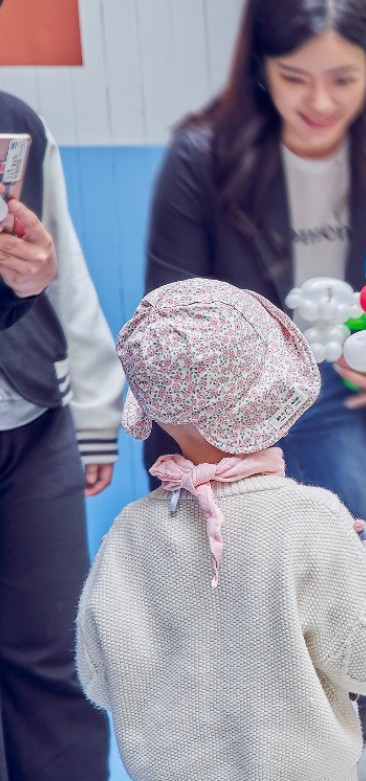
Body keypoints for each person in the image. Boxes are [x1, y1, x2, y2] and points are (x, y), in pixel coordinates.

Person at [144, 0, 366, 732]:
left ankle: (338, 758)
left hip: (341, 395)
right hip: (225, 412)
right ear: (259, 70)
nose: (319, 102)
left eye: (342, 79)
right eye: (294, 77)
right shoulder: (202, 157)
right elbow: (169, 311)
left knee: (351, 610)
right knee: (233, 612)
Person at [76, 278, 366, 781]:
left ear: (156, 408)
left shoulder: (128, 534)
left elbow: (99, 677)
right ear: (272, 396)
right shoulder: (311, 519)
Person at [0, 88, 121, 781]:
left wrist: (97, 414)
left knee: (57, 657)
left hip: (33, 414)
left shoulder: (19, 124)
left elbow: (64, 270)